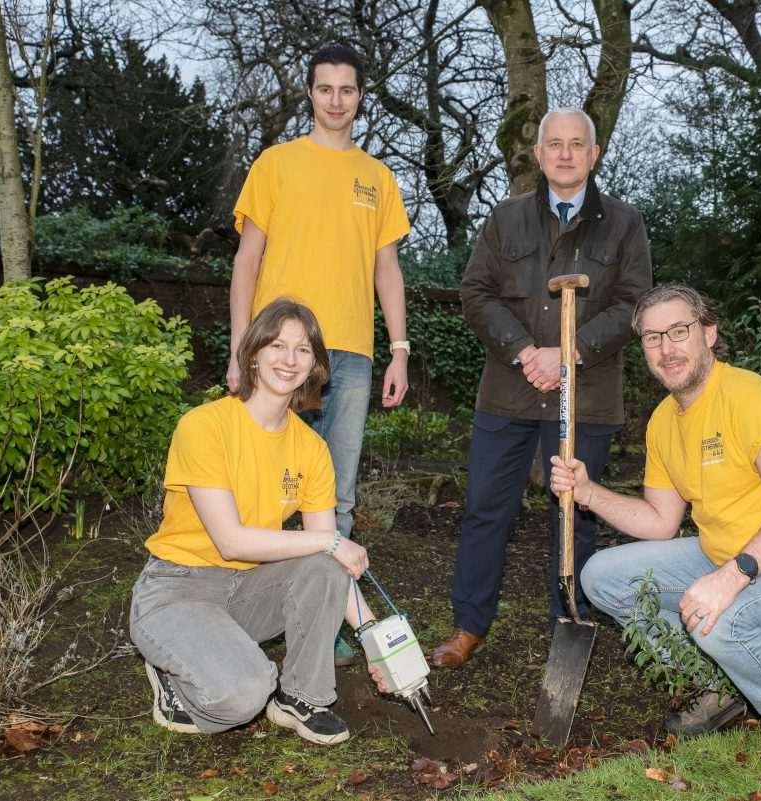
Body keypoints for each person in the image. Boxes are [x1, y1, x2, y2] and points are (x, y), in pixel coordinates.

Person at [548, 284, 761, 775]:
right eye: (652, 338)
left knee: (720, 615)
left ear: (709, 334)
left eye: (678, 331)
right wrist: (588, 493)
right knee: (601, 576)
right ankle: (719, 685)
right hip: (727, 558)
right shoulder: (663, 422)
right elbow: (659, 522)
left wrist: (730, 577)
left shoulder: (749, 397)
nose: (666, 348)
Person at [431, 108, 652, 668]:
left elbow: (634, 306)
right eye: (554, 144)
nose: (565, 154)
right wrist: (526, 351)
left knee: (574, 511)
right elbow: (475, 293)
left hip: (587, 399)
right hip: (508, 391)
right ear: (538, 154)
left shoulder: (624, 224)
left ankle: (569, 620)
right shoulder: (505, 220)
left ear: (594, 153)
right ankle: (468, 625)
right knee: (486, 510)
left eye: (577, 144)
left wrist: (570, 352)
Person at [130, 299, 386, 745]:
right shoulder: (204, 426)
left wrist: (379, 641)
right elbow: (231, 541)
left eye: (303, 350)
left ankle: (302, 697)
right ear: (253, 354)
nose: (290, 360)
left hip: (247, 591)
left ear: (315, 365)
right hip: (179, 589)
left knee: (324, 563)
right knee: (243, 696)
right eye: (278, 346)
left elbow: (329, 558)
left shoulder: (310, 449)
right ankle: (174, 680)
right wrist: (327, 541)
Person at [229, 42, 411, 664]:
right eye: (326, 88)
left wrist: (401, 350)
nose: (337, 100)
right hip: (279, 354)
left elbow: (387, 270)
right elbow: (246, 261)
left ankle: (326, 615)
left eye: (348, 90)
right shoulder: (276, 164)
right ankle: (251, 607)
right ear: (310, 93)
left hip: (353, 356)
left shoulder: (378, 178)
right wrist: (239, 350)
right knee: (264, 490)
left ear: (361, 97)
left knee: (336, 495)